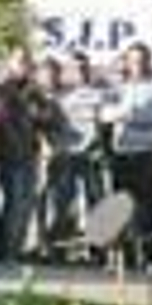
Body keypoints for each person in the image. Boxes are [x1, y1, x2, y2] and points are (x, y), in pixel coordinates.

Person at [100, 41, 152, 268]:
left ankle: (150, 258)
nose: (137, 64)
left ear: (148, 62)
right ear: (127, 62)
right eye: (133, 60)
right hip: (121, 154)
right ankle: (124, 258)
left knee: (148, 209)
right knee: (119, 209)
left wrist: (125, 115)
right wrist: (126, 113)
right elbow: (103, 115)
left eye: (142, 60)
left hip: (146, 154)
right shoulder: (116, 87)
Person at [45, 50, 111, 256]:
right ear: (67, 72)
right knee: (61, 204)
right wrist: (52, 145)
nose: (80, 71)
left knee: (95, 202)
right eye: (75, 68)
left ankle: (97, 251)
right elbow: (47, 125)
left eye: (83, 67)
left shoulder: (100, 94)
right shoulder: (58, 95)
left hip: (90, 155)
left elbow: (107, 124)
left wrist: (102, 147)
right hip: (64, 155)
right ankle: (58, 250)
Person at [0, 48, 41, 262]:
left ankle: (15, 249)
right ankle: (3, 251)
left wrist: (42, 112)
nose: (26, 65)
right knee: (9, 204)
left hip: (29, 154)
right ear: (11, 64)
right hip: (7, 154)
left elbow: (46, 119)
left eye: (28, 61)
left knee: (25, 205)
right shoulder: (3, 88)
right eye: (21, 61)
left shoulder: (34, 90)